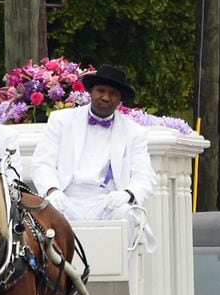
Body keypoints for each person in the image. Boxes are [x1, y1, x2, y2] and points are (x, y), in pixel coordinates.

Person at [31, 64, 158, 232]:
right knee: (51, 213)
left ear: (120, 99)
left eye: (113, 94)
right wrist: (52, 190)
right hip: (67, 197)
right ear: (91, 92)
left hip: (107, 201)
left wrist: (127, 194)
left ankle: (117, 260)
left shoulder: (134, 132)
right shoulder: (61, 120)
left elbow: (145, 176)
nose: (106, 97)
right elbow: (42, 163)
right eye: (101, 91)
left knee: (124, 213)